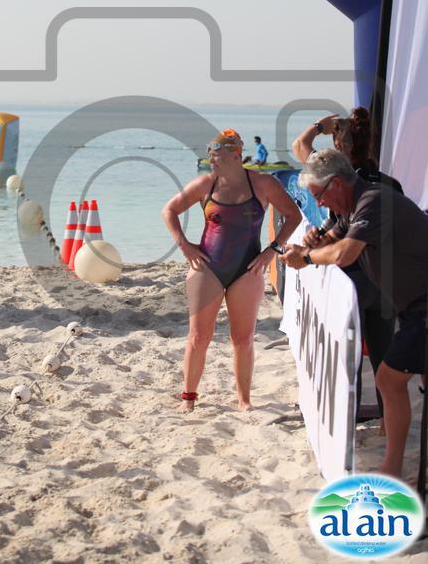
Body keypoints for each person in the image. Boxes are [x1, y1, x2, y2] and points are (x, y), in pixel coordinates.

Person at [281, 149, 428, 477]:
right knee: (397, 379)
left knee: (388, 379)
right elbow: (328, 244)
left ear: (336, 184)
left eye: (318, 195)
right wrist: (308, 245)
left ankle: (392, 468)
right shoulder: (351, 209)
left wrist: (306, 259)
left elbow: (344, 254)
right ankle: (397, 466)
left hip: (422, 304)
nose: (318, 203)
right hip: (412, 305)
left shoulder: (373, 201)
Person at [162, 129, 301, 412]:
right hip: (207, 268)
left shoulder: (262, 184)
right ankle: (188, 398)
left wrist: (272, 251)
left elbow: (293, 216)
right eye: (210, 156)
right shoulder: (206, 184)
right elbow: (169, 210)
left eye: (218, 156)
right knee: (199, 336)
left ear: (237, 156)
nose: (212, 161)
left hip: (247, 270)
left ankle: (244, 400)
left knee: (243, 338)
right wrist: (185, 246)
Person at [292, 108, 402, 423]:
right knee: (383, 358)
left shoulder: (335, 176)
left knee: (348, 358)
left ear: (338, 147)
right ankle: (386, 425)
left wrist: (319, 126)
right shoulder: (389, 183)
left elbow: (300, 145)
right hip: (386, 280)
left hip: (352, 279)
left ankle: (345, 426)